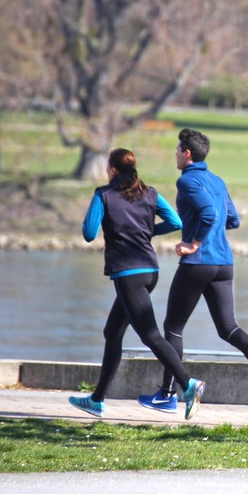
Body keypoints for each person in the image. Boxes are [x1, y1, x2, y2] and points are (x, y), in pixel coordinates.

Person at [138, 128, 248, 415]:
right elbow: (232, 220)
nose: (175, 154)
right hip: (224, 264)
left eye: (178, 150)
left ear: (188, 153)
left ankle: (168, 394)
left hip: (198, 264)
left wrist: (194, 243)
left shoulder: (188, 181)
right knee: (228, 327)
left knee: (172, 328)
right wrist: (208, 232)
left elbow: (210, 214)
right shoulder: (217, 181)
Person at [68, 148, 194, 419]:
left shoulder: (104, 194)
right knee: (112, 333)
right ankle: (97, 400)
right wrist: (148, 230)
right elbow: (176, 222)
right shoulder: (150, 193)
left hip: (128, 274)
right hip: (150, 271)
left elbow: (89, 233)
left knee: (150, 335)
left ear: (112, 169)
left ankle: (189, 385)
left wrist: (109, 224)